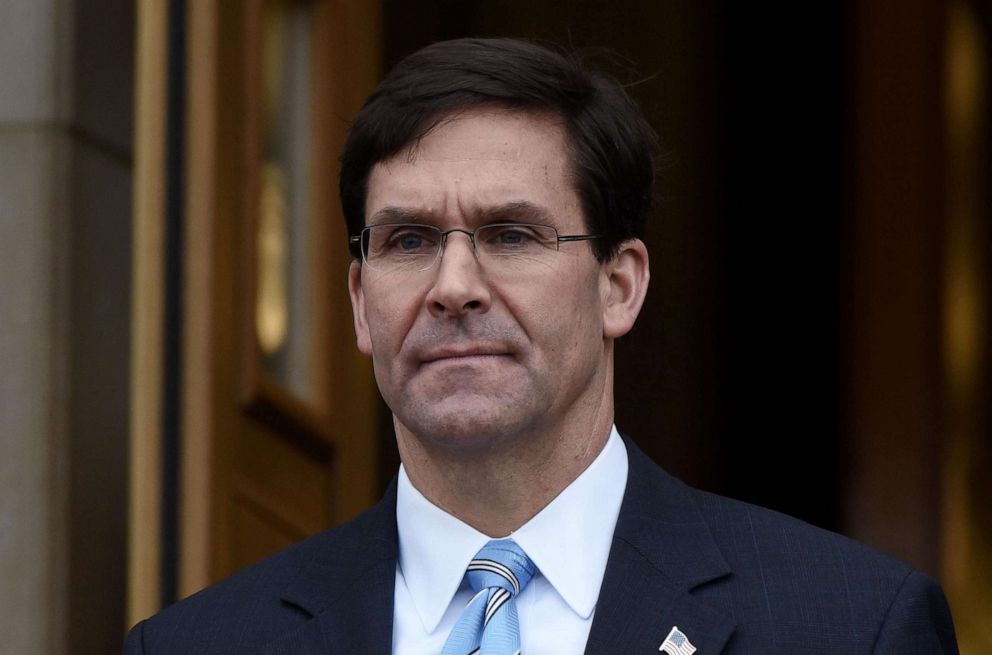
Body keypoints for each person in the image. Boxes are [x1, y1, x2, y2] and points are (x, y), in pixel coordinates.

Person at [124, 38, 958, 654]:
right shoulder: (200, 643)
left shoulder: (850, 625)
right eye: (409, 241)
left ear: (619, 285)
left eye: (511, 234)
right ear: (359, 301)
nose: (453, 286)